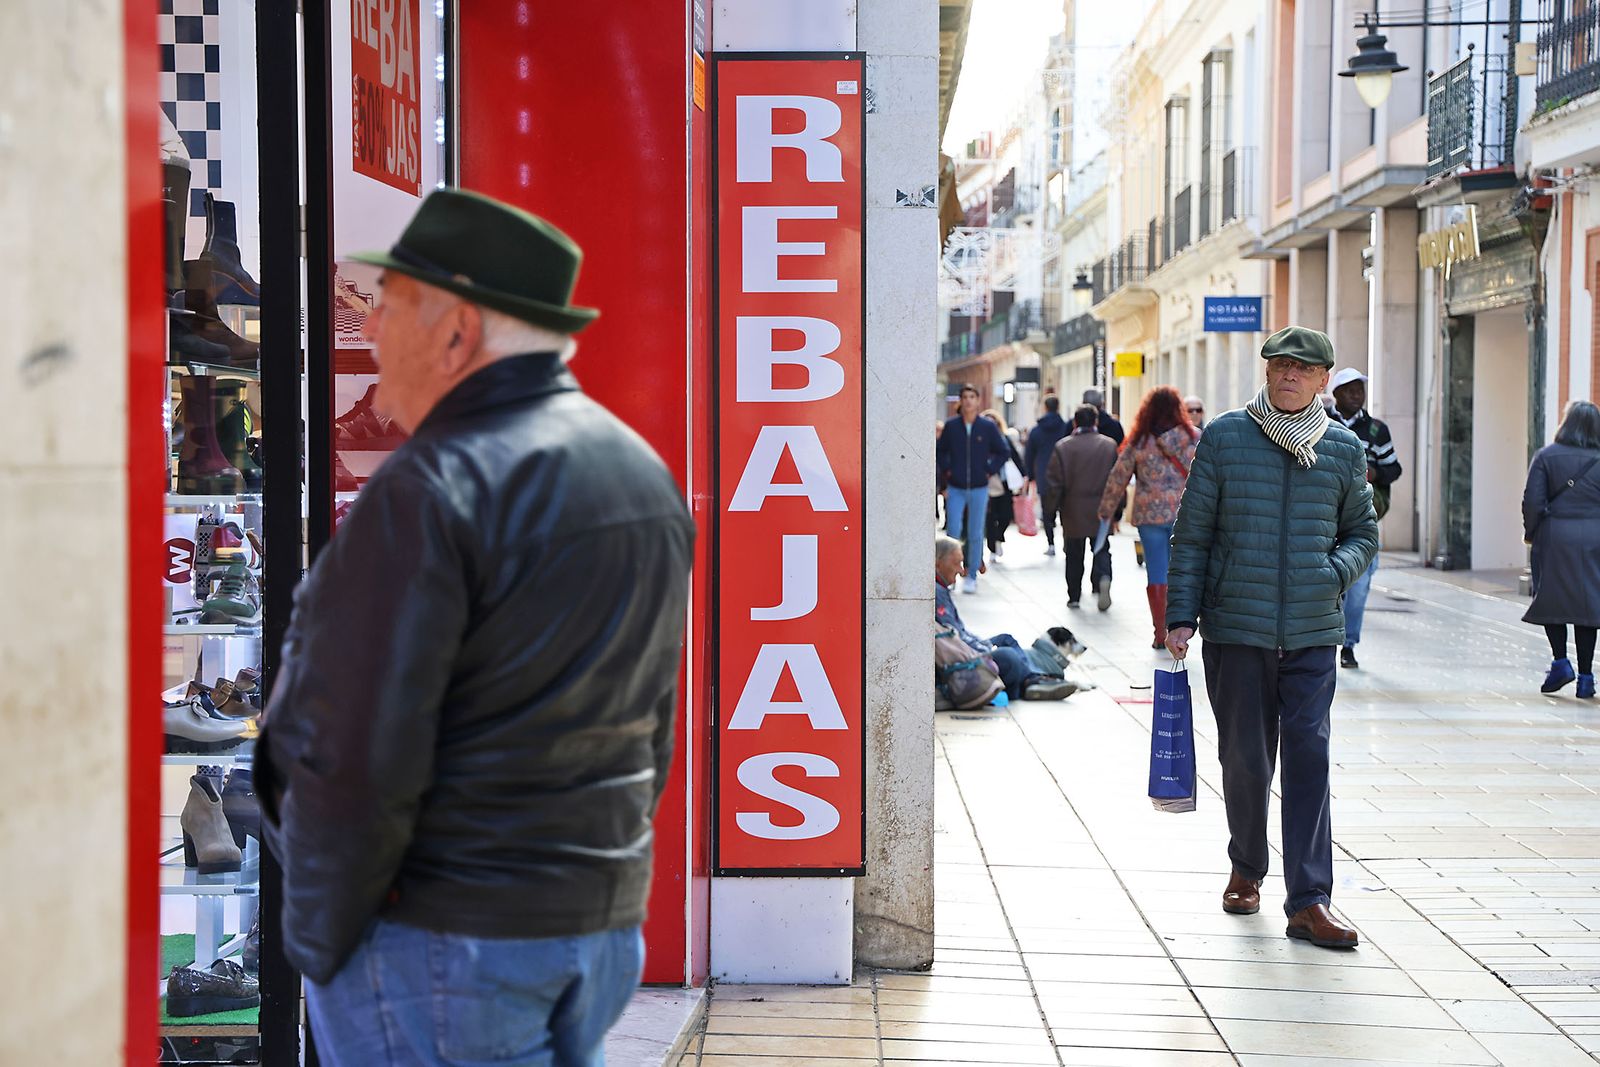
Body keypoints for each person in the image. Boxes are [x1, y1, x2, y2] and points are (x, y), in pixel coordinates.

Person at [256, 189, 695, 1066]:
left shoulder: (430, 488)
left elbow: (355, 751)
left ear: (457, 331)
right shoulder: (638, 471)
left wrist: (323, 940)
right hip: (586, 927)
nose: (372, 333)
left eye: (389, 309)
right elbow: (652, 721)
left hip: (441, 945)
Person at [1165, 325, 1378, 949]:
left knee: (1309, 758)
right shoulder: (1227, 438)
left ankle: (1310, 899)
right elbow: (1192, 533)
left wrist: (1330, 573)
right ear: (1267, 373)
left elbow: (1363, 533)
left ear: (1322, 380)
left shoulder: (1342, 449)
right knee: (1246, 759)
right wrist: (1182, 615)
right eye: (1279, 365)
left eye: (1301, 369)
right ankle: (1246, 866)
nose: (1288, 375)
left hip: (1312, 631)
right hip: (1238, 628)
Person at [1098, 386, 1200, 649]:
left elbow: (1118, 476)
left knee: (1157, 573)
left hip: (1149, 516)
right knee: (1182, 572)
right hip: (1184, 515)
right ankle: (1179, 628)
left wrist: (1106, 511)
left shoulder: (1140, 441)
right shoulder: (1191, 438)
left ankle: (1160, 631)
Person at [1521, 399, 1600, 698]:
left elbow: (1532, 501)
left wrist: (1531, 533)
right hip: (1595, 539)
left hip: (1554, 538)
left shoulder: (1546, 456)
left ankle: (1560, 662)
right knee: (1587, 606)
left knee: (1552, 601)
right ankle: (1587, 677)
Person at [935, 536, 1075, 700]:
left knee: (1006, 640)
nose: (961, 570)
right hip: (962, 659)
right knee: (1008, 656)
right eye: (956, 563)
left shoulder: (941, 589)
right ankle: (1030, 680)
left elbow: (960, 632)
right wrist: (984, 649)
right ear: (937, 564)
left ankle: (1030, 679)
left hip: (966, 648)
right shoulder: (937, 593)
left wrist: (984, 644)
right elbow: (955, 638)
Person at [1329, 367, 1403, 669]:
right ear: (1336, 395)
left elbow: (1394, 469)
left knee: (1358, 588)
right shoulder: (1320, 423)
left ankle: (1348, 644)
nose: (1357, 395)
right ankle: (1319, 643)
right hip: (1323, 519)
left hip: (1362, 521)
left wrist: (1374, 473)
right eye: (1351, 390)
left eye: (1360, 390)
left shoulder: (1376, 430)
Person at [938, 384, 1012, 593]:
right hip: (956, 486)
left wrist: (988, 469)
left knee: (976, 531)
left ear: (978, 401)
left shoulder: (987, 427)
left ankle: (971, 575)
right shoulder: (952, 427)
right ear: (961, 401)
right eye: (965, 397)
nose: (969, 400)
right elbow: (941, 451)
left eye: (972, 396)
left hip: (979, 486)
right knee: (952, 531)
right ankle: (948, 576)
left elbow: (1003, 451)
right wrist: (948, 471)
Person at [1047, 404, 1120, 610]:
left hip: (1073, 508)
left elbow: (1055, 483)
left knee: (1074, 553)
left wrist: (1051, 510)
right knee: (1101, 548)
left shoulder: (1063, 446)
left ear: (1075, 422)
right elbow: (1117, 481)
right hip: (1102, 508)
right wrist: (1118, 508)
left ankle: (1074, 595)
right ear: (1096, 422)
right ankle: (1102, 579)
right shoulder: (1109, 445)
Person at [1023, 395, 1071, 557]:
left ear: (1045, 407)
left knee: (1047, 511)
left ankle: (1051, 544)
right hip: (1064, 473)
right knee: (1065, 509)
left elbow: (1029, 455)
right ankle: (1066, 541)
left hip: (1044, 474)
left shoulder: (1037, 430)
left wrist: (1030, 475)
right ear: (1058, 407)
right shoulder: (1065, 427)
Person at [981, 408, 1025, 560]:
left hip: (1005, 482)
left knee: (1006, 515)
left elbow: (1016, 457)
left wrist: (1024, 475)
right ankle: (992, 547)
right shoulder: (978, 440)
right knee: (990, 517)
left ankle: (999, 537)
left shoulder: (1004, 438)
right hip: (987, 483)